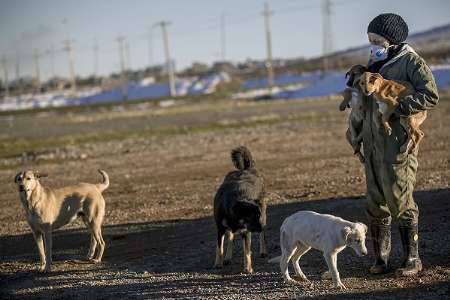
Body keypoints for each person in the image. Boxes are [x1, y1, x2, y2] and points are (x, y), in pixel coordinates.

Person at [354, 13, 439, 276]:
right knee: (375, 202)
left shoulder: (411, 62)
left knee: (400, 200)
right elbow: (369, 101)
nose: (372, 44)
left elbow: (430, 95)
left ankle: (412, 258)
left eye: (377, 39)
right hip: (372, 145)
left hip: (397, 145)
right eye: (369, 39)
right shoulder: (375, 64)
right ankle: (381, 259)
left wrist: (400, 107)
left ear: (392, 40)